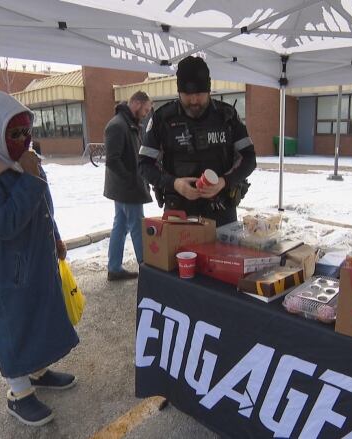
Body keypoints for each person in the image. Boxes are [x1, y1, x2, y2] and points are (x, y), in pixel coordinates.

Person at [0, 89, 79, 427]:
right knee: (13, 325)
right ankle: (17, 393)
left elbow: (42, 205)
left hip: (33, 258)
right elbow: (2, 223)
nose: (23, 140)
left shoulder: (22, 161)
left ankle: (36, 371)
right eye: (14, 133)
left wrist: (55, 236)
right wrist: (30, 178)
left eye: (27, 132)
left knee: (39, 314)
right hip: (0, 270)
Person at [138, 56, 256, 226]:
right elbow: (144, 164)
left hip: (222, 212)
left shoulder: (227, 116)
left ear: (209, 90)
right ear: (179, 91)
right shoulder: (162, 119)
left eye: (199, 94)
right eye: (187, 95)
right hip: (179, 214)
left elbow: (249, 158)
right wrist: (175, 184)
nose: (193, 101)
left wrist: (224, 182)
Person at [104, 91, 153, 281]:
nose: (146, 113)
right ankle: (147, 269)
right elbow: (112, 161)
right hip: (126, 189)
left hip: (123, 187)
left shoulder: (128, 123)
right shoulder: (117, 125)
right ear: (137, 104)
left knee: (121, 225)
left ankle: (114, 268)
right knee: (137, 226)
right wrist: (132, 180)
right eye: (146, 109)